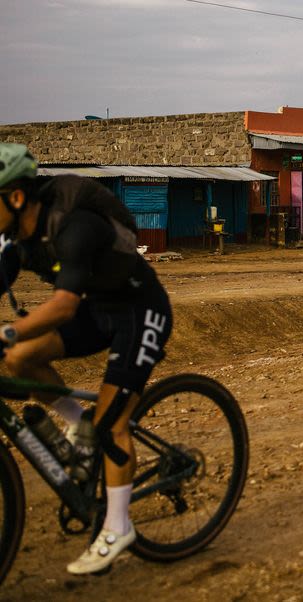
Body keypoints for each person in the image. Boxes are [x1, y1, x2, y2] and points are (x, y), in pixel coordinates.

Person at [0, 143, 173, 574]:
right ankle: (78, 423)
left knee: (112, 425)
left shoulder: (73, 225)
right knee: (19, 359)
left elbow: (60, 307)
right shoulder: (17, 240)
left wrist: (5, 330)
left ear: (15, 197)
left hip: (139, 311)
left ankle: (118, 526)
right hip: (95, 311)